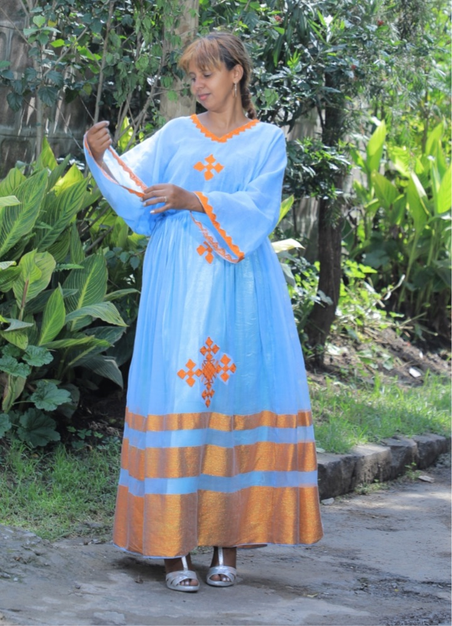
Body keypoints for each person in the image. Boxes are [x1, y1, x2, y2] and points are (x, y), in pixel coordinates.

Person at [84, 31, 323, 593]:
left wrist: (196, 199)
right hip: (178, 285)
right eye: (191, 77)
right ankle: (170, 549)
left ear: (236, 73)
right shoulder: (175, 133)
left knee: (235, 396)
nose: (197, 87)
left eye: (206, 75)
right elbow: (136, 187)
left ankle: (226, 543)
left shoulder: (267, 140)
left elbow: (261, 209)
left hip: (242, 288)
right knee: (179, 395)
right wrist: (101, 156)